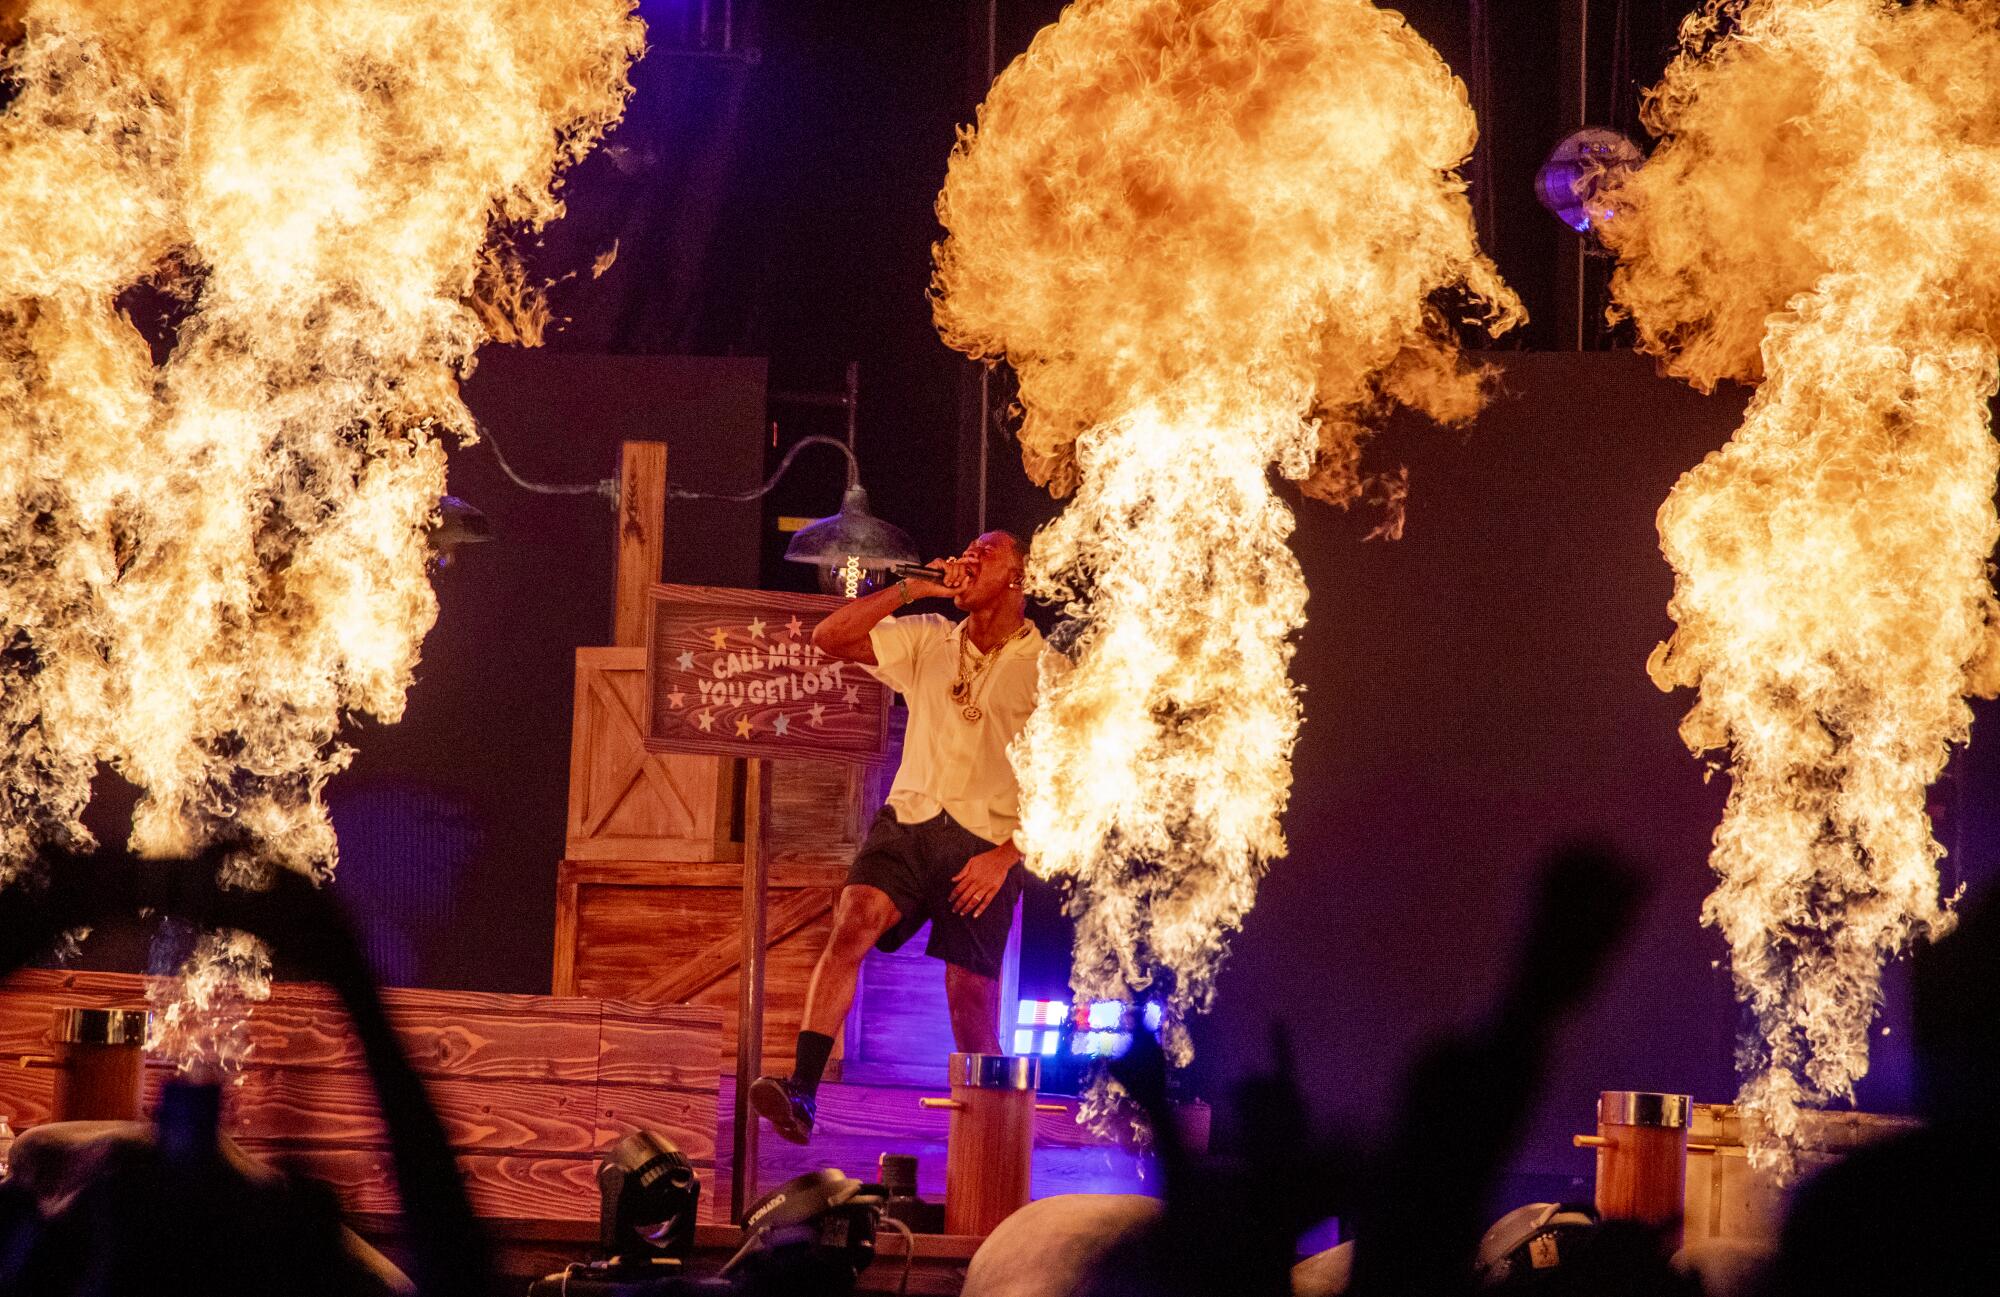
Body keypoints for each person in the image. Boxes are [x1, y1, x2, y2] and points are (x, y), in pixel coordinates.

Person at [749, 531, 1042, 1144]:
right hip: (909, 822)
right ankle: (803, 1092)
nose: (966, 555)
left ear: (1017, 578)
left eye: (985, 552)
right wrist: (913, 588)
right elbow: (831, 637)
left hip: (986, 844)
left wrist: (1006, 857)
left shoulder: (1049, 673)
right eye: (965, 547)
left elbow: (1078, 784)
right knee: (852, 921)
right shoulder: (930, 636)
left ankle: (990, 1148)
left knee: (969, 997)